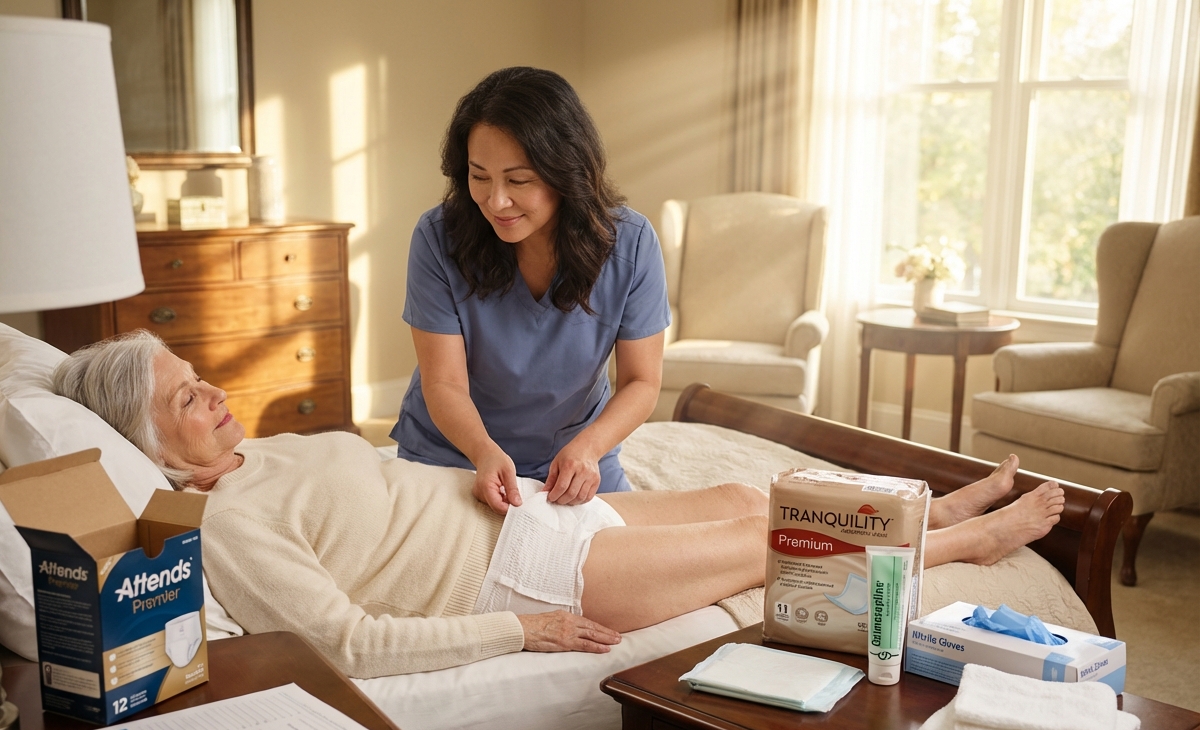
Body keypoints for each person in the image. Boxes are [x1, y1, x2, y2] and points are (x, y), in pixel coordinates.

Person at [54, 332, 1066, 679]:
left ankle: (929, 500)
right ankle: (969, 538)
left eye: (199, 377)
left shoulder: (253, 459)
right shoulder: (219, 524)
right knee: (777, 540)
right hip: (528, 572)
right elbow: (349, 643)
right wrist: (519, 629)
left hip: (538, 513)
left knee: (743, 491)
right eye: (187, 398)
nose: (216, 393)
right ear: (147, 448)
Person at [392, 66, 668, 516]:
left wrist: (590, 448)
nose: (495, 200)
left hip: (573, 454)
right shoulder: (437, 237)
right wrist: (482, 452)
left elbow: (642, 381)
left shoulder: (631, 244)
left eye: (518, 180)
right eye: (478, 176)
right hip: (456, 453)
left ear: (566, 172)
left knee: (636, 556)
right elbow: (442, 382)